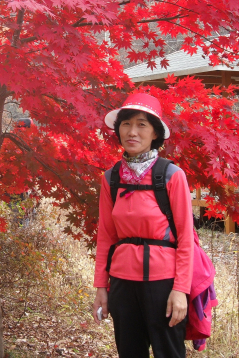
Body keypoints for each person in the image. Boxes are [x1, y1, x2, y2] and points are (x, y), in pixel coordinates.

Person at [92, 93, 194, 358]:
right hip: (122, 283)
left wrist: (181, 290)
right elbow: (106, 236)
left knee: (168, 352)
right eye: (126, 124)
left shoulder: (171, 175)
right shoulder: (111, 178)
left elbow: (185, 238)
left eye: (141, 124)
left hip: (163, 282)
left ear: (155, 133)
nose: (132, 132)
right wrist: (102, 288)